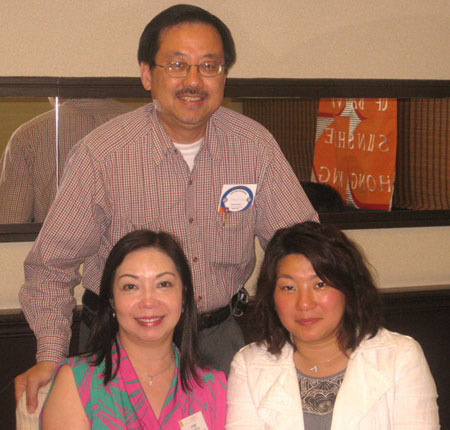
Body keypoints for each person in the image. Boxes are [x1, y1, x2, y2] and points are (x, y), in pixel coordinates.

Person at [16, 3, 317, 414]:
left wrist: (316, 337)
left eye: (209, 66)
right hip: (120, 342)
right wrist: (51, 355)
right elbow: (50, 267)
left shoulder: (254, 147)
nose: (194, 80)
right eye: (177, 65)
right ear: (146, 74)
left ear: (224, 74)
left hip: (217, 339)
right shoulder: (102, 154)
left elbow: (304, 249)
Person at [226, 222, 439, 429]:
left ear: (348, 287)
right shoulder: (249, 365)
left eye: (320, 284)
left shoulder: (400, 357)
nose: (304, 303)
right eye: (289, 288)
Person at [41, 229, 226, 429]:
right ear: (112, 301)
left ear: (183, 297)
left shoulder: (212, 386)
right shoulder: (77, 381)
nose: (148, 302)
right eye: (131, 287)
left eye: (163, 284)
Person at [0, 98, 131, 223]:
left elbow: (11, 223)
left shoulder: (29, 135)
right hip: (133, 239)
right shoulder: (140, 123)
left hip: (60, 238)